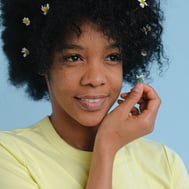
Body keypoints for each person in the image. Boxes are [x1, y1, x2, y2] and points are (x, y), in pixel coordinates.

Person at [0, 0, 189, 188]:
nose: (95, 78)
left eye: (112, 57)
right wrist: (106, 146)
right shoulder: (10, 155)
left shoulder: (165, 164)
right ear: (42, 63)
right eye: (74, 58)